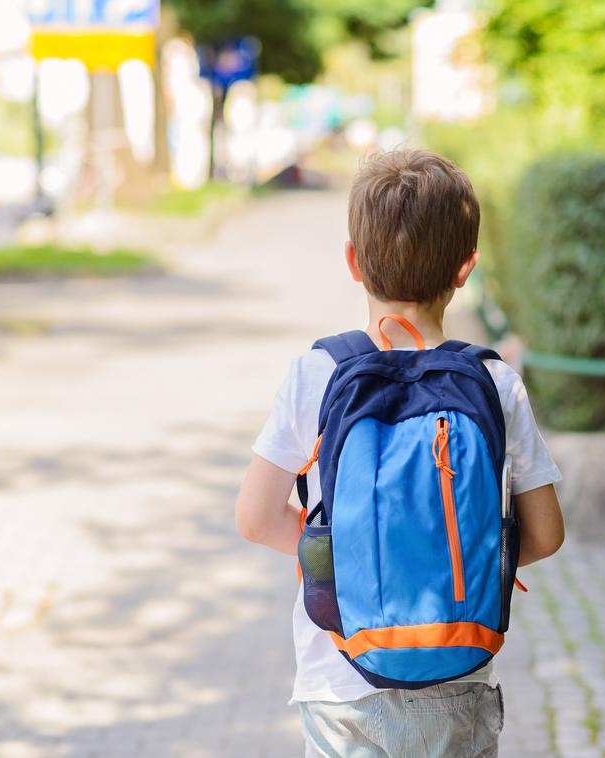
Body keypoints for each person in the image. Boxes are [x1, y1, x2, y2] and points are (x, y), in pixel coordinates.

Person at [236, 148, 565, 757]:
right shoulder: (494, 383)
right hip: (456, 668)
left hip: (339, 677)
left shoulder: (317, 373)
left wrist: (358, 556)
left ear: (353, 262)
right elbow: (544, 536)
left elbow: (256, 518)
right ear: (466, 267)